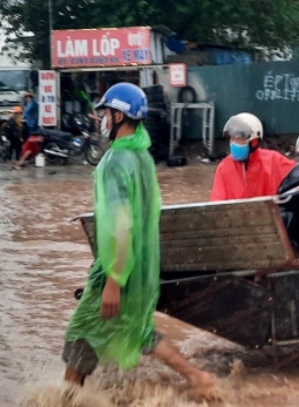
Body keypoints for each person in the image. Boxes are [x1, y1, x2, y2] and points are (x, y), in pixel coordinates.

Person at [63, 83, 215, 394]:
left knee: (81, 332)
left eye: (105, 112)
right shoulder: (141, 157)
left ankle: (67, 397)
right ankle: (197, 378)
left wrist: (114, 280)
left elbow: (122, 224)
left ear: (118, 116)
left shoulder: (115, 161)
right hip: (140, 264)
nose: (101, 118)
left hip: (118, 266)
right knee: (137, 330)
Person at [210, 113, 296, 201]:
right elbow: (217, 204)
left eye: (239, 138)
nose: (233, 143)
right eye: (232, 138)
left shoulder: (274, 160)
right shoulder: (225, 168)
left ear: (254, 141)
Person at [2, 106, 28, 170]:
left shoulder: (14, 120)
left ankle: (12, 166)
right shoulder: (13, 121)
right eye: (19, 113)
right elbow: (14, 131)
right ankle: (14, 165)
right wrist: (19, 138)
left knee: (13, 152)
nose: (20, 114)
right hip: (13, 139)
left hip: (13, 139)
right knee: (14, 151)